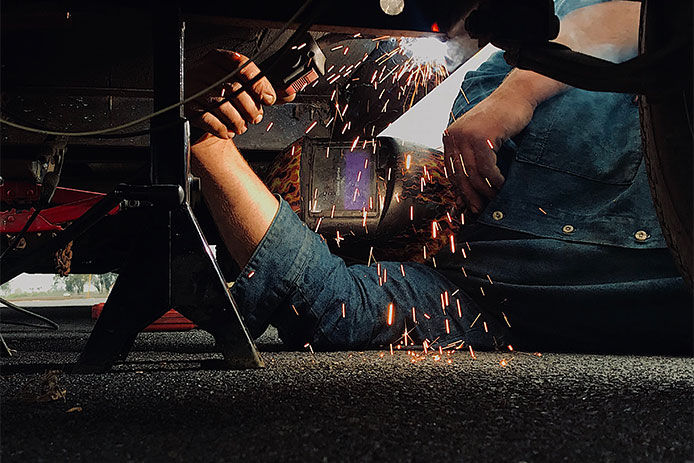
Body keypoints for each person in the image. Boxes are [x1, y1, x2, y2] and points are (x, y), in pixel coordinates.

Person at [185, 0, 691, 355]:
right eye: (359, 198)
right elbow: (326, 307)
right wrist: (205, 143)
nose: (392, 180)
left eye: (364, 163)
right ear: (375, 245)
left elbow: (648, 17)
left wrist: (520, 94)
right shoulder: (467, 300)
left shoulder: (493, 85)